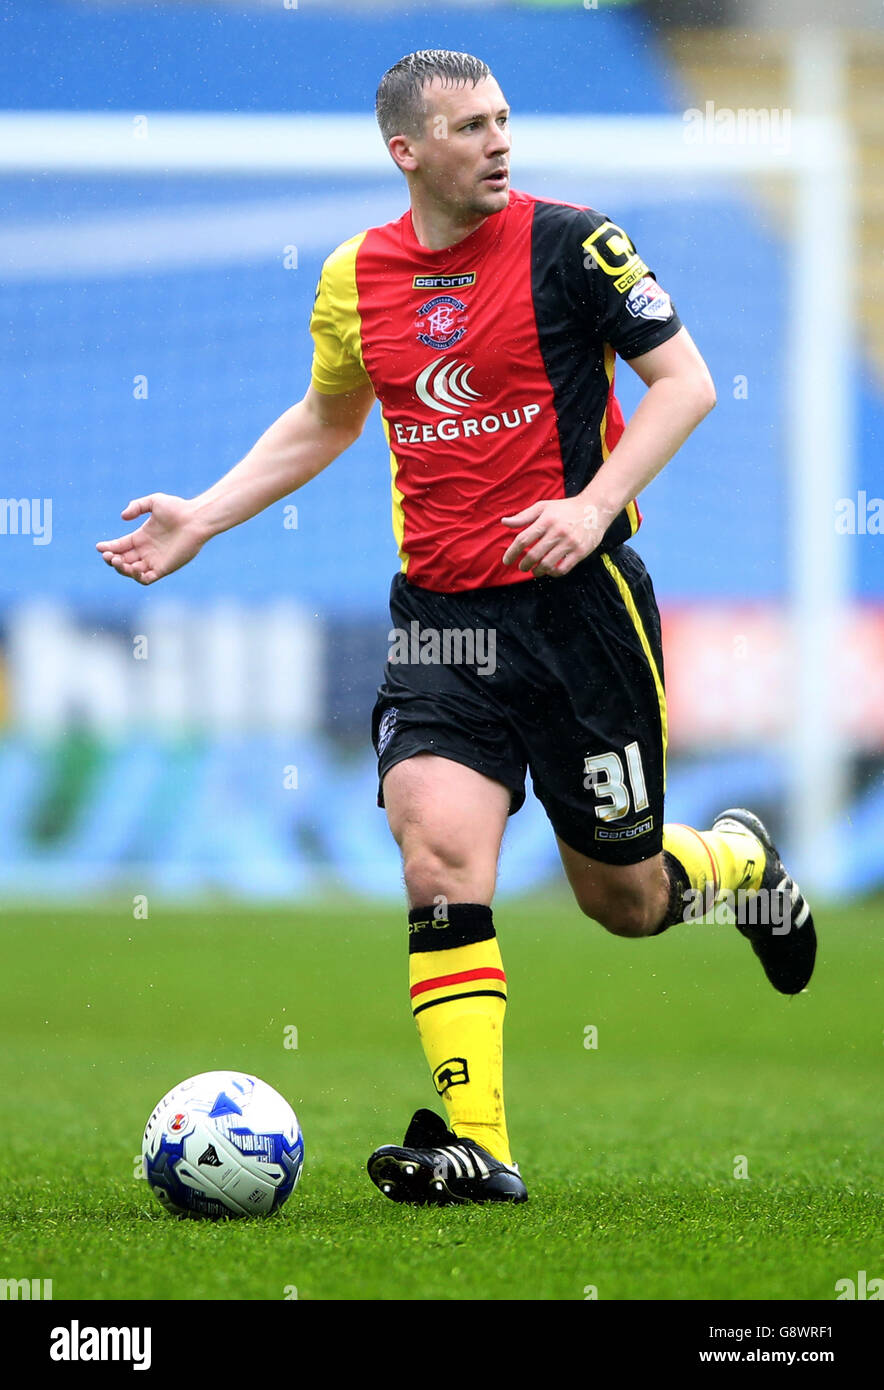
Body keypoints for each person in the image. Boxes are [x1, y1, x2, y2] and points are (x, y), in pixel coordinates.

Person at [97, 49, 816, 1208]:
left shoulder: (576, 245)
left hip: (581, 614)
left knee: (620, 900)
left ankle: (737, 866)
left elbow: (684, 383)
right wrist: (205, 517)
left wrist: (588, 509)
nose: (497, 140)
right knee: (435, 849)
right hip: (440, 620)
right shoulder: (355, 277)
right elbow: (329, 415)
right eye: (470, 126)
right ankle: (475, 1140)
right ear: (407, 151)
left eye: (502, 119)